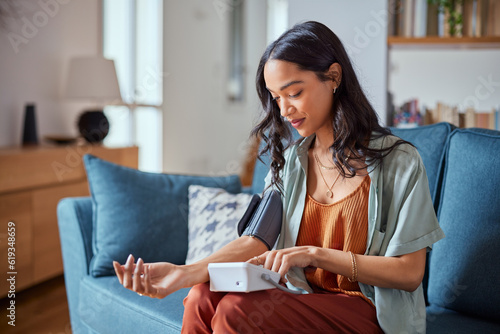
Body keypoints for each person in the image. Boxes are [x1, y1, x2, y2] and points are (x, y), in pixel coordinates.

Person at [113, 21, 444, 333]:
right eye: (276, 98)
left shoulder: (400, 161)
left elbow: (409, 273)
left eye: (294, 93)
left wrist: (313, 254)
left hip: (368, 309)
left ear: (333, 77)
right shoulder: (291, 161)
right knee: (202, 296)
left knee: (235, 310)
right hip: (303, 297)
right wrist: (182, 274)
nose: (284, 110)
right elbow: (256, 240)